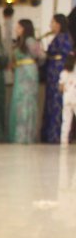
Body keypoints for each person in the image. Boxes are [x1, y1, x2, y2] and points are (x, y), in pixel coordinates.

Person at [8, 19, 44, 144]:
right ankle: (19, 134)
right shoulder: (20, 42)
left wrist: (32, 63)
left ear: (25, 28)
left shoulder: (30, 41)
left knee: (27, 102)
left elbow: (41, 56)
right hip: (20, 72)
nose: (16, 29)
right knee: (19, 100)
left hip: (28, 72)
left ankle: (26, 135)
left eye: (18, 27)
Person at [41, 14, 74, 144]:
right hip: (52, 72)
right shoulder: (56, 37)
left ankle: (57, 135)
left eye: (53, 22)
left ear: (58, 24)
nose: (51, 25)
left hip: (59, 71)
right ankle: (49, 134)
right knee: (51, 101)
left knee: (58, 102)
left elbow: (67, 55)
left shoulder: (65, 38)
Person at [59, 52, 76, 146]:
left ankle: (64, 140)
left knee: (66, 120)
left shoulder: (63, 73)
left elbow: (61, 88)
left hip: (66, 98)